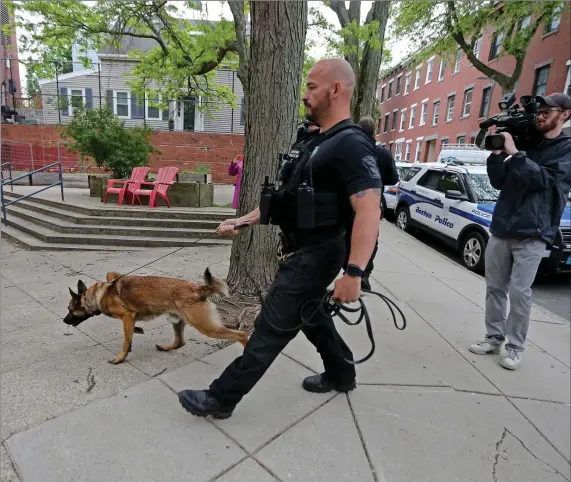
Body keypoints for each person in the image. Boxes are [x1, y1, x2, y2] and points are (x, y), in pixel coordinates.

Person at [177, 58, 383, 419]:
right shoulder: (315, 141)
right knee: (311, 314)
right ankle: (341, 371)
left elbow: (369, 211)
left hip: (319, 254)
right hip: (303, 248)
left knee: (270, 328)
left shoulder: (352, 145)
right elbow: (286, 201)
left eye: (312, 87)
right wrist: (244, 221)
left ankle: (221, 398)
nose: (305, 95)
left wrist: (354, 274)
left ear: (336, 89)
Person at [469, 93, 571, 370]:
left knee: (519, 292)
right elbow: (499, 181)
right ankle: (493, 338)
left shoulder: (566, 149)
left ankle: (515, 348)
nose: (540, 115)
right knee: (494, 288)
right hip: (503, 226)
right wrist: (497, 154)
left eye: (547, 111)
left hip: (534, 232)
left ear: (565, 114)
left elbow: (543, 180)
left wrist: (516, 154)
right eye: (539, 111)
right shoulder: (527, 141)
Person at [344, 115, 399, 290]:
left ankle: (349, 270)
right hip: (373, 203)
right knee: (369, 238)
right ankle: (363, 274)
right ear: (374, 133)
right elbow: (393, 178)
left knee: (346, 235)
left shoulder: (349, 150)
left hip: (349, 202)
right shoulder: (382, 154)